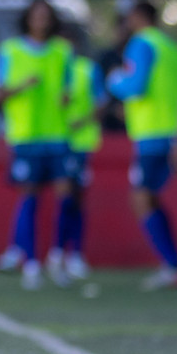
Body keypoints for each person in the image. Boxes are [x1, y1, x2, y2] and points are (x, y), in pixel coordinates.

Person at [0, 0, 75, 290]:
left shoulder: (63, 51)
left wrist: (68, 99)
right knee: (29, 198)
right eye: (36, 16)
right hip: (25, 136)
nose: (40, 20)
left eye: (46, 16)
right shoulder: (10, 51)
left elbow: (69, 89)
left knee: (66, 196)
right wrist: (22, 87)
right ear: (27, 19)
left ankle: (57, 257)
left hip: (58, 135)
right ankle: (30, 263)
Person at [107, 0, 177, 289]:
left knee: (141, 198)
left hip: (152, 134)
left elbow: (135, 86)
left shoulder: (140, 43)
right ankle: (173, 264)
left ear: (139, 17)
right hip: (173, 132)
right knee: (150, 196)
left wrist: (113, 80)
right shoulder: (171, 46)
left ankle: (173, 264)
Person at [50, 34, 105, 285]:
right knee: (64, 197)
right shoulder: (51, 70)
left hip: (81, 142)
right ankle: (58, 251)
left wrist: (81, 122)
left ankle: (75, 255)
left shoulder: (87, 69)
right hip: (56, 141)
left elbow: (101, 103)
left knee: (77, 197)